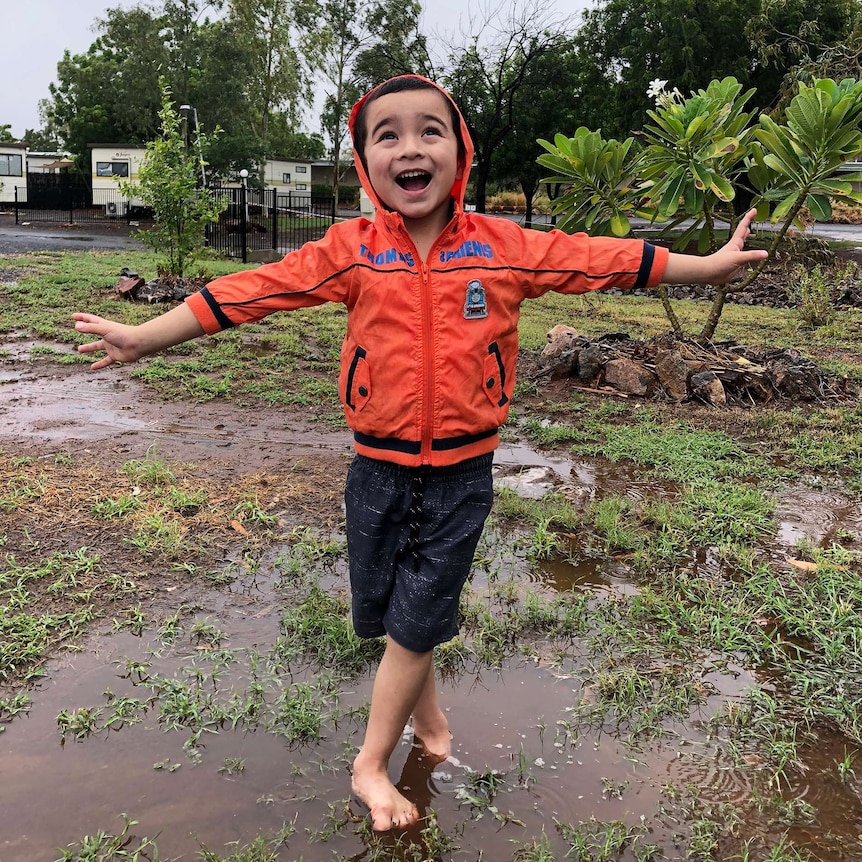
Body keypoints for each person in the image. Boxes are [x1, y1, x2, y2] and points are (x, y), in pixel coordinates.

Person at [73, 75, 768, 832]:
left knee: (416, 622)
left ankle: (368, 765)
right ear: (366, 161)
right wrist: (143, 337)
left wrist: (704, 267)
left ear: (460, 150)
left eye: (429, 130)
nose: (410, 147)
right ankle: (430, 727)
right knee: (392, 617)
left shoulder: (505, 249)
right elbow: (249, 292)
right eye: (388, 134)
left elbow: (599, 259)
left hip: (461, 476)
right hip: (375, 469)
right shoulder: (351, 251)